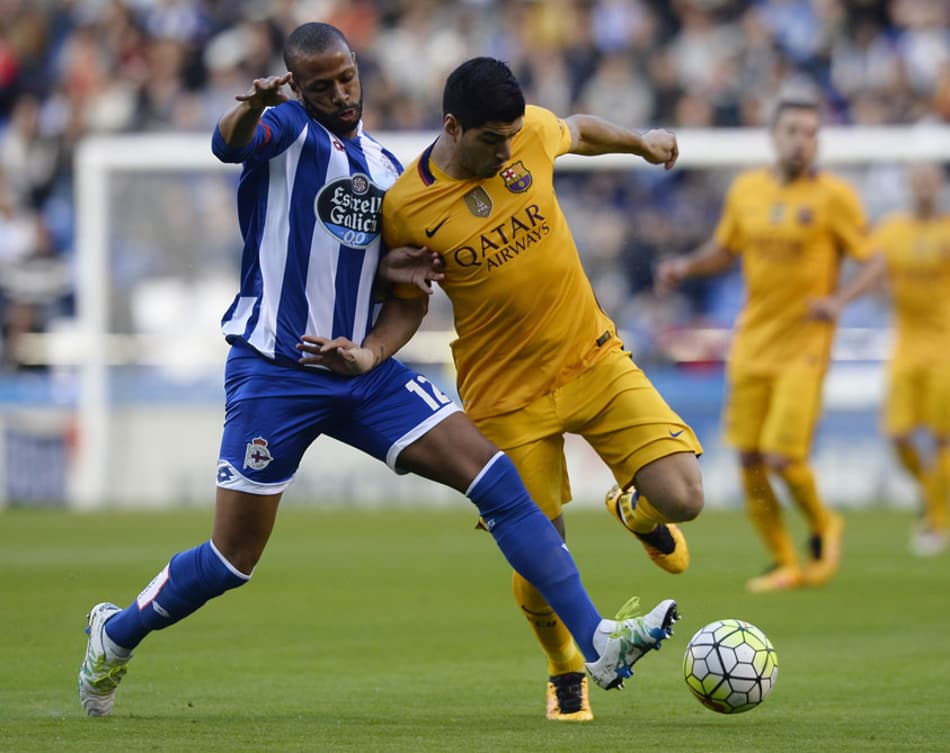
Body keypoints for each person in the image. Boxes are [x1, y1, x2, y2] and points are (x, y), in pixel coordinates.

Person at [76, 24, 680, 718]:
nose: (339, 93)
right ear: (297, 88)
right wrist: (250, 107)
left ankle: (596, 639)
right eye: (321, 85)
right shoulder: (285, 130)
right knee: (233, 558)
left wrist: (380, 315)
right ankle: (115, 631)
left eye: (347, 77)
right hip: (276, 371)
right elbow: (228, 144)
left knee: (497, 481)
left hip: (361, 369)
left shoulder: (387, 171)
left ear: (360, 70)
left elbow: (390, 287)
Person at [302, 57, 704, 722]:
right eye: (494, 139)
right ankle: (564, 666)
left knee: (685, 497)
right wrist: (370, 352)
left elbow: (576, 127)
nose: (509, 148)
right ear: (454, 127)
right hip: (506, 397)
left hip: (592, 357)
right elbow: (406, 303)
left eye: (515, 133)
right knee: (540, 550)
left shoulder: (529, 135)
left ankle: (636, 508)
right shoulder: (406, 206)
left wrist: (640, 141)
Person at [655, 88, 872, 593]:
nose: (802, 142)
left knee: (782, 455)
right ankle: (784, 560)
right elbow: (724, 249)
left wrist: (839, 301)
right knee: (750, 460)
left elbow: (874, 258)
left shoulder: (834, 197)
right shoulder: (747, 191)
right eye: (793, 131)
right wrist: (686, 265)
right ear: (775, 136)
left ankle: (824, 523)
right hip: (753, 343)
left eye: (812, 134)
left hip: (806, 344)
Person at [809, 163, 950, 556]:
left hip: (945, 348)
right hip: (905, 345)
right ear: (911, 185)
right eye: (918, 180)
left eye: (930, 180)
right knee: (898, 435)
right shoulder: (892, 230)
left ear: (938, 187)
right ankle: (930, 491)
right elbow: (873, 272)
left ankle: (936, 521)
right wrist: (841, 301)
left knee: (943, 438)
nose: (923, 187)